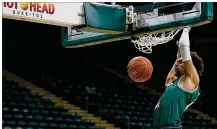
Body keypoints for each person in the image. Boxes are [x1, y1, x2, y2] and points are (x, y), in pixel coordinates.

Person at [153, 27, 204, 129]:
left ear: (190, 66)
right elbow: (169, 78)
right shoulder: (174, 83)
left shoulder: (191, 80)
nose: (177, 63)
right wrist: (179, 53)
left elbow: (184, 45)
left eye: (181, 62)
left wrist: (186, 27)